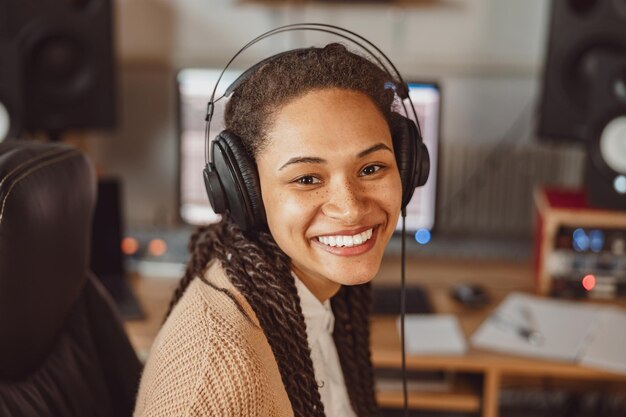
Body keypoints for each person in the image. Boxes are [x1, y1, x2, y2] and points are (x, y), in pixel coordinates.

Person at [134, 43, 408, 417]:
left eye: (372, 168)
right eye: (308, 178)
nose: (350, 208)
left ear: (407, 169)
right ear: (245, 193)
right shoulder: (216, 384)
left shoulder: (318, 294)